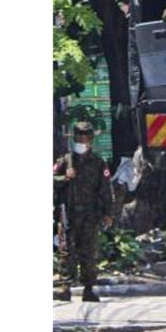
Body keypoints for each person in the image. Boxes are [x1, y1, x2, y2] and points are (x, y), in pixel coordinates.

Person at [53, 122, 114, 302]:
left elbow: (105, 189)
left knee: (88, 250)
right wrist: (65, 177)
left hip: (89, 214)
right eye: (79, 135)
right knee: (66, 251)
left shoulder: (98, 162)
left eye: (85, 135)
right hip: (68, 212)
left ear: (91, 138)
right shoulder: (65, 160)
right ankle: (66, 287)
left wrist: (108, 213)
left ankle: (89, 288)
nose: (82, 138)